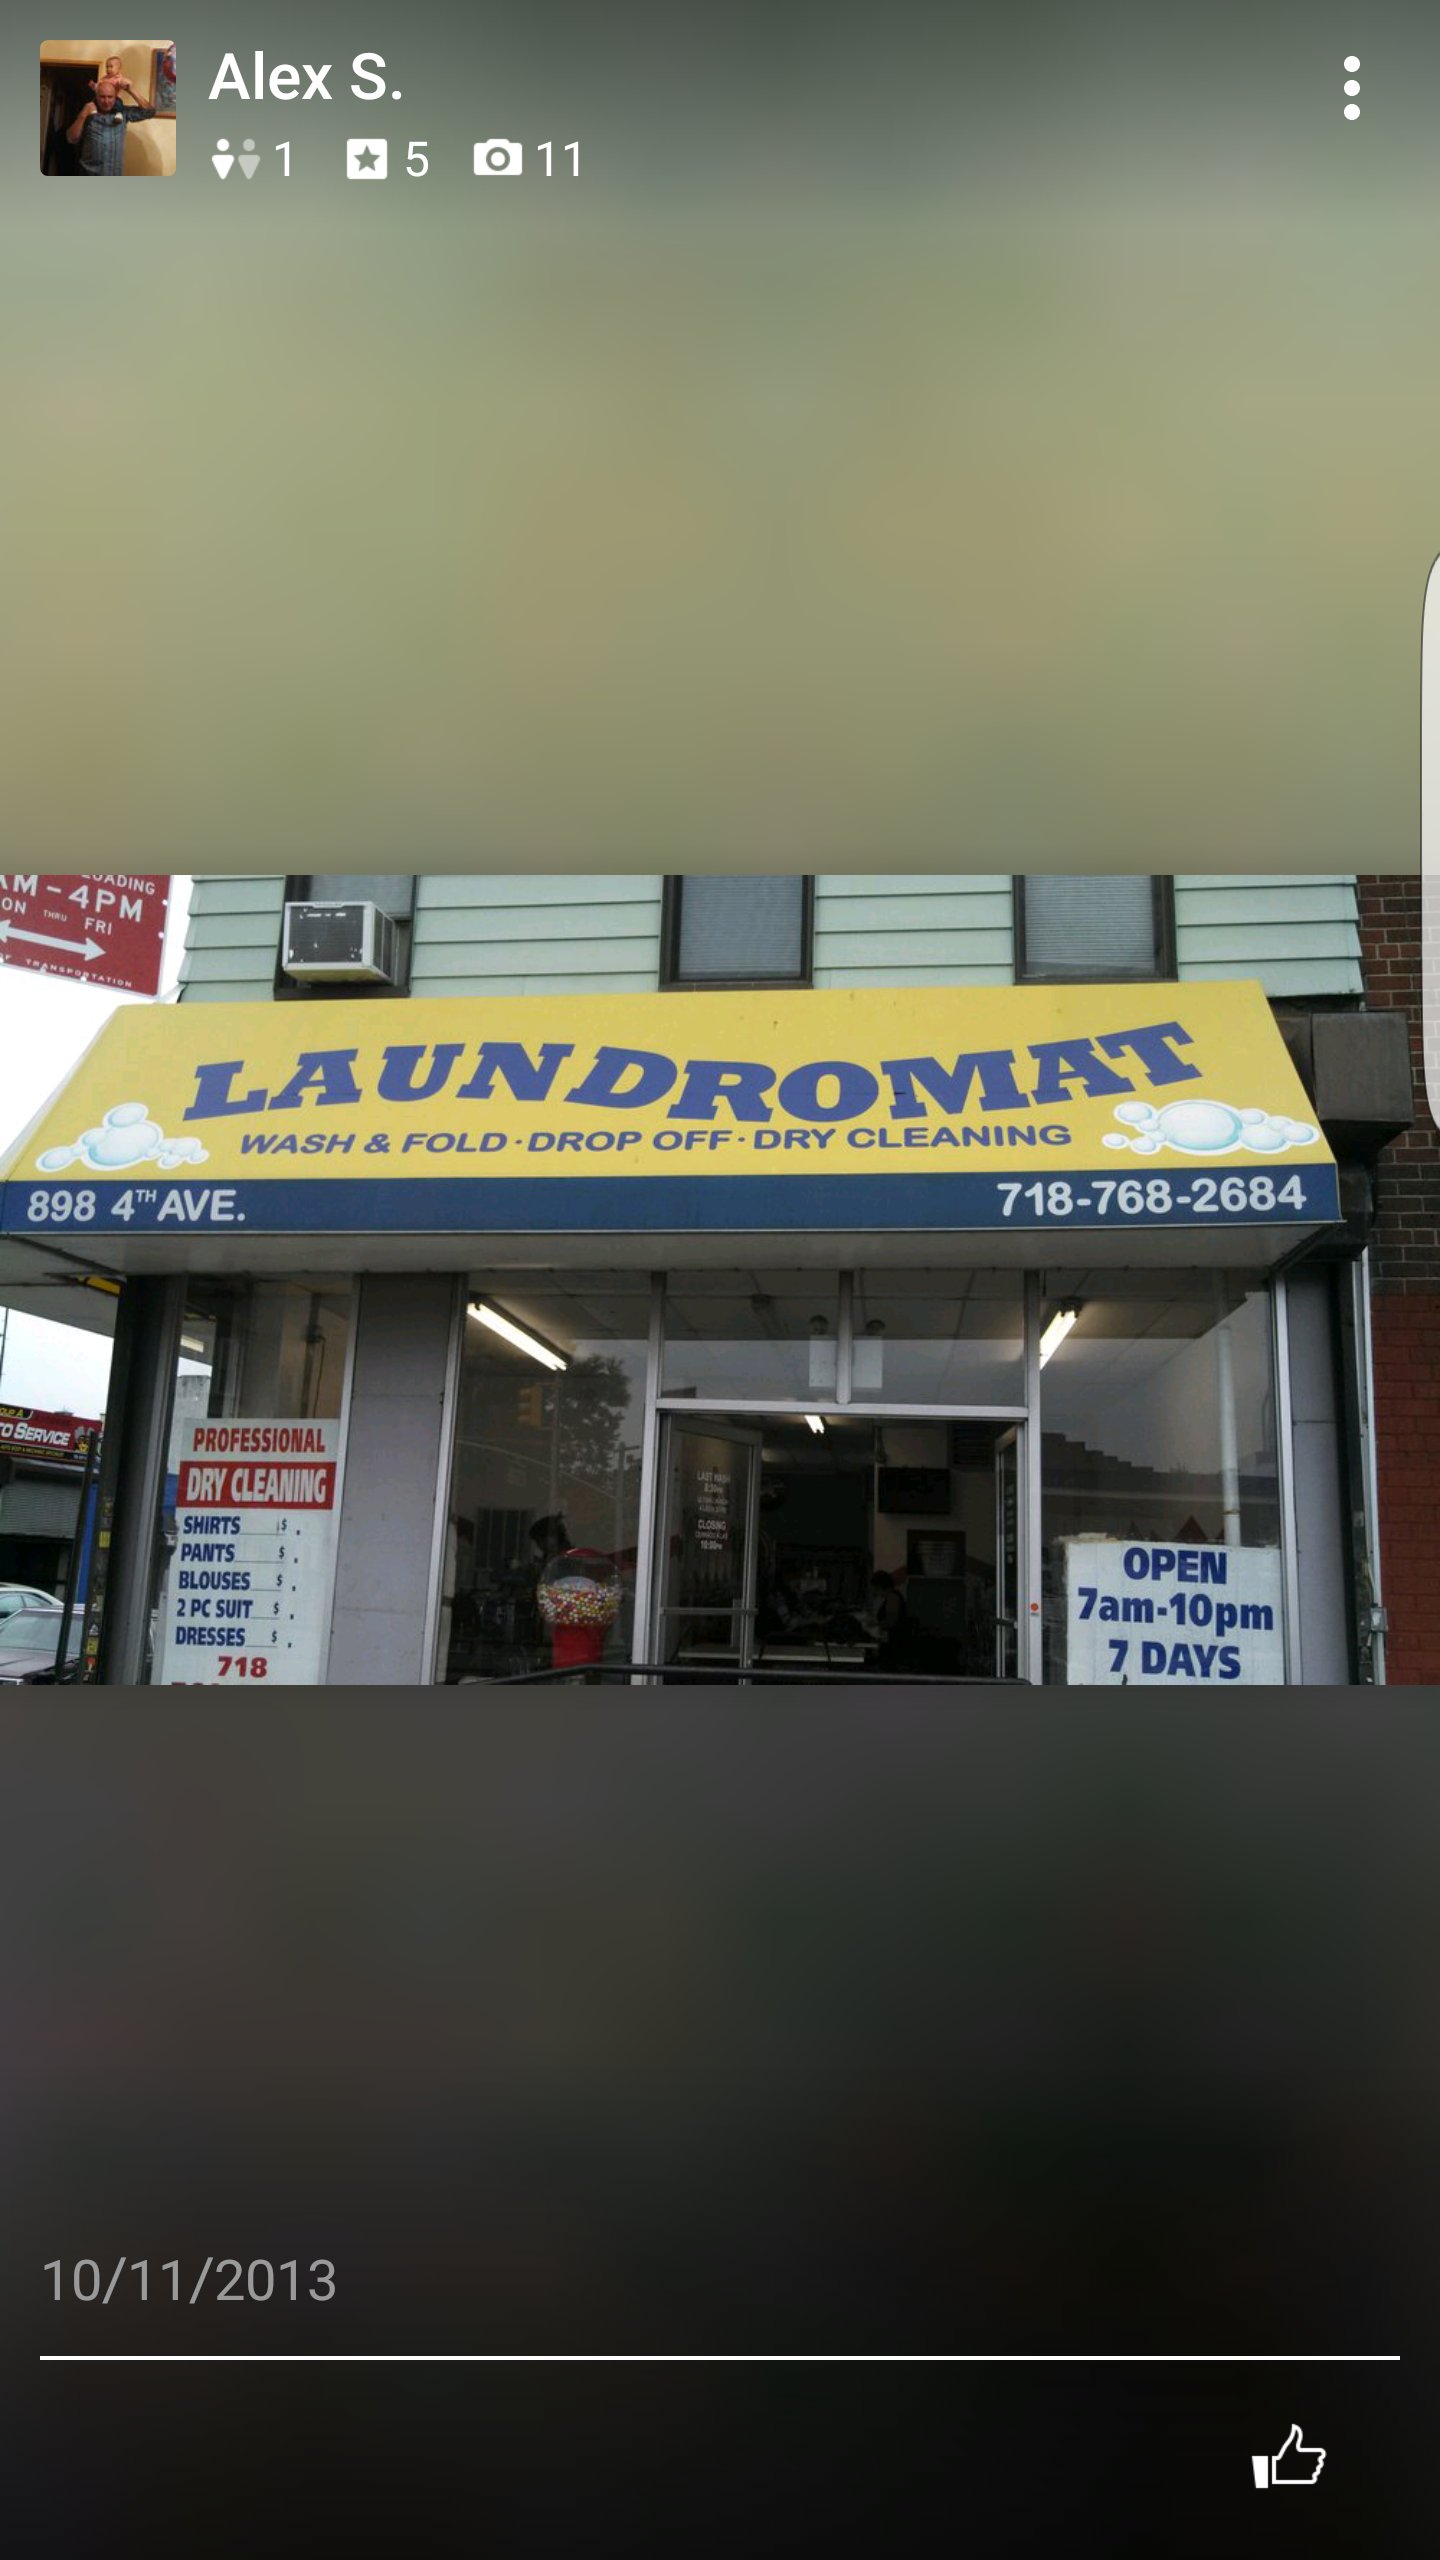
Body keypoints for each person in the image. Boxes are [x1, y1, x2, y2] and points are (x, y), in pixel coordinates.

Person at [67, 65, 156, 176]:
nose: (106, 101)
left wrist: (131, 90)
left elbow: (150, 112)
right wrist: (82, 115)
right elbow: (71, 138)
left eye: (110, 97)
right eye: (102, 97)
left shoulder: (123, 113)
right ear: (96, 96)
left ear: (116, 97)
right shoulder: (88, 113)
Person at [867, 1570, 909, 1668]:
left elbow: (891, 1621)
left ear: (880, 1586)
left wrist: (875, 1624)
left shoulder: (892, 1598)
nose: (874, 1591)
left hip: (893, 1644)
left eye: (874, 1588)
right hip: (891, 1643)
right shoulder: (891, 1597)